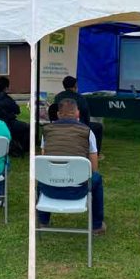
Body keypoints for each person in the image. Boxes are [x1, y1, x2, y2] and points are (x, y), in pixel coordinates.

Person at [39, 98, 106, 234]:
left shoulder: (47, 132)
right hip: (78, 190)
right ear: (78, 114)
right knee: (97, 178)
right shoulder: (87, 132)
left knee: (40, 177)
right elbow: (93, 168)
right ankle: (97, 226)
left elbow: (45, 163)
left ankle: (42, 221)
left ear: (58, 114)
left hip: (49, 189)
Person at [54, 76, 104, 153]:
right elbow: (86, 115)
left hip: (60, 123)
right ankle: (96, 153)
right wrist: (86, 126)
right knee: (98, 127)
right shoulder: (80, 98)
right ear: (75, 85)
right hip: (78, 125)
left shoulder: (57, 97)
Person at [0, 77, 29, 156]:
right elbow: (17, 110)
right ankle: (24, 148)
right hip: (8, 123)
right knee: (27, 127)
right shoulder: (6, 98)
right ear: (6, 87)